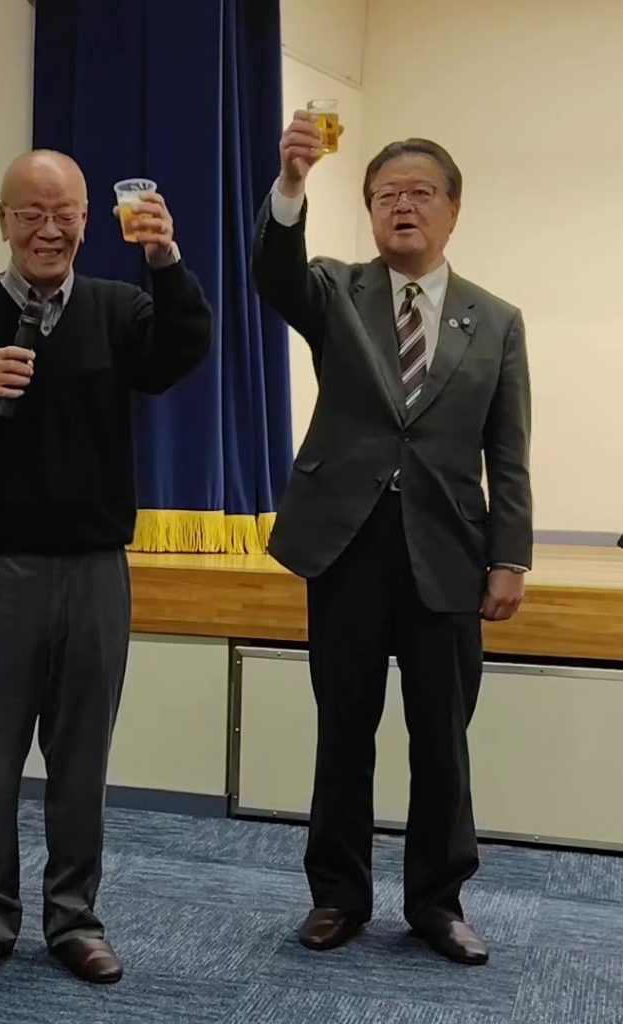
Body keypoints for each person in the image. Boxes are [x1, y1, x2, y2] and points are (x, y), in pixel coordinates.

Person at [0, 150, 212, 986]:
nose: (48, 229)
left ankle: (74, 919)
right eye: (31, 213)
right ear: (3, 220)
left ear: (90, 221)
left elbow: (180, 352)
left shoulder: (119, 308)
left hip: (94, 570)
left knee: (83, 756)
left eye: (65, 214)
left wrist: (166, 261)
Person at [252, 118, 531, 966]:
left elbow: (507, 451)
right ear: (369, 210)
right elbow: (273, 274)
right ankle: (337, 896)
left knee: (442, 740)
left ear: (453, 210)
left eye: (419, 194)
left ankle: (437, 904)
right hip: (347, 548)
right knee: (344, 730)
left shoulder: (497, 320)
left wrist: (510, 556)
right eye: (385, 196)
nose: (402, 207)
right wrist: (292, 183)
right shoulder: (336, 290)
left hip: (448, 553)